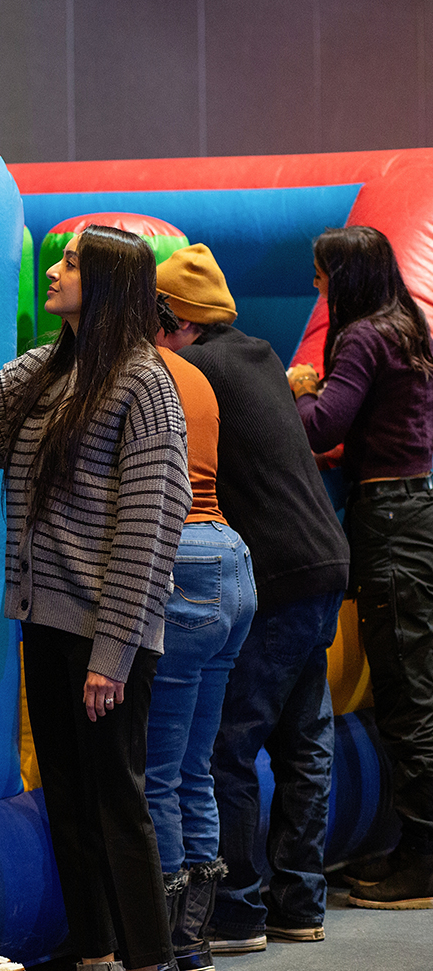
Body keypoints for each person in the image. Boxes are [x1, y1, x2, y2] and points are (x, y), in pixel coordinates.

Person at [0, 224, 190, 971]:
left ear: (109, 286)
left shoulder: (146, 382)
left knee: (117, 802)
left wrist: (113, 653)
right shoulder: (44, 372)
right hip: (47, 626)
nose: (53, 272)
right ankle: (94, 951)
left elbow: (149, 527)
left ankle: (150, 958)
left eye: (69, 264)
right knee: (65, 794)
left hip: (106, 639)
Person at [155, 243, 349, 953]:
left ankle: (236, 910)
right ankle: (300, 900)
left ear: (175, 321)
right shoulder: (259, 355)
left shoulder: (192, 369)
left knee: (227, 751)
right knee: (305, 744)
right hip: (324, 561)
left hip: (274, 575)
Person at [288, 225, 433, 910]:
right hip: (417, 507)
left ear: (343, 278)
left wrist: (286, 397)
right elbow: (391, 425)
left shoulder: (363, 336)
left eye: (321, 279)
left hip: (393, 523)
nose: (318, 291)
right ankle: (416, 845)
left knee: (408, 691)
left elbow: (326, 422)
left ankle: (425, 857)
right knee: (415, 686)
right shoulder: (406, 326)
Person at [145, 294, 257, 971]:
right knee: (194, 766)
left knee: (158, 771)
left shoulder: (139, 373)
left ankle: (163, 939)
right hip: (231, 559)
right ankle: (193, 941)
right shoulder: (194, 372)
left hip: (184, 560)